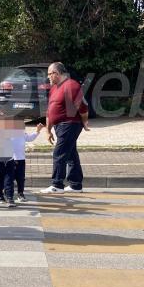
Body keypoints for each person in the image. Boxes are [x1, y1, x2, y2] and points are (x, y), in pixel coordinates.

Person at [41, 62, 89, 194]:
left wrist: (84, 123)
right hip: (59, 126)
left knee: (59, 153)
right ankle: (75, 185)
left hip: (70, 124)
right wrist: (48, 130)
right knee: (71, 154)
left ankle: (57, 184)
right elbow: (50, 110)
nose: (48, 77)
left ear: (57, 73)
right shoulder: (54, 88)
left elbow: (83, 107)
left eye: (50, 74)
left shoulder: (72, 85)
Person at [11, 119, 44, 202]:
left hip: (21, 160)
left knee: (21, 178)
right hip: (11, 160)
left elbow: (30, 138)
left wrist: (37, 131)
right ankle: (9, 195)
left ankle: (20, 193)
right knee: (9, 178)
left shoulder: (22, 134)